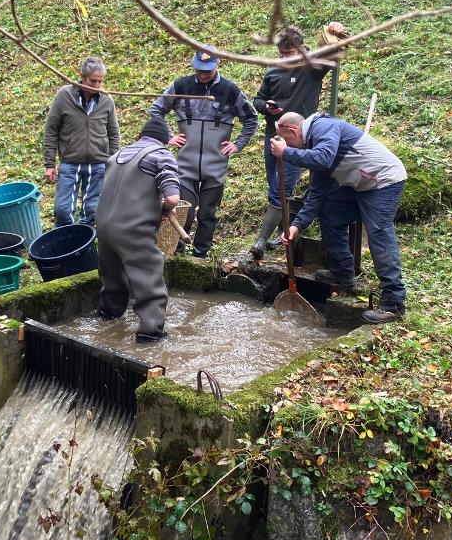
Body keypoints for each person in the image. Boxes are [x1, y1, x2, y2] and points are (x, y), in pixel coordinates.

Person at [271, 111, 407, 324]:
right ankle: (343, 272)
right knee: (330, 214)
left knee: (379, 233)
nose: (291, 147)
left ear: (293, 130)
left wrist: (285, 153)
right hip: (357, 183)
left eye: (288, 141)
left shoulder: (323, 127)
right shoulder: (314, 143)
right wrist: (297, 225)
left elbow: (323, 158)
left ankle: (393, 302)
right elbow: (316, 194)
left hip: (383, 180)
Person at [250, 22, 345, 259]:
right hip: (274, 134)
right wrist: (266, 107)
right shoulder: (273, 70)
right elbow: (258, 99)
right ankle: (285, 231)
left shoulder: (311, 67)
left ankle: (261, 241)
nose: (286, 59)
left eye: (290, 54)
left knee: (280, 187)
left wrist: (334, 32)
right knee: (276, 186)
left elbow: (333, 53)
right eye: (282, 54)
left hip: (296, 140)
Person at [149, 49, 258, 258]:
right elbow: (157, 110)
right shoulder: (181, 86)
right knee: (183, 211)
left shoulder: (230, 90)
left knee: (208, 214)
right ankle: (176, 251)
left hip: (215, 165)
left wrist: (238, 144)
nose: (203, 75)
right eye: (199, 70)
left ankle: (200, 255)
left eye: (207, 71)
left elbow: (251, 118)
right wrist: (169, 136)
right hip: (185, 164)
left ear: (217, 65)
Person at [95, 118, 181, 343]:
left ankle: (107, 317)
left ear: (141, 137)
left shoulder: (116, 156)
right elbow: (172, 197)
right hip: (132, 228)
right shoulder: (161, 155)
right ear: (165, 141)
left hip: (103, 226)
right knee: (148, 277)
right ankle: (150, 333)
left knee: (112, 276)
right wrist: (163, 208)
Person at [43, 57, 121, 227]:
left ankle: (85, 244)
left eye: (100, 82)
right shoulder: (65, 96)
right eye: (93, 81)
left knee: (93, 211)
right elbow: (51, 130)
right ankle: (67, 240)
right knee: (62, 211)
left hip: (98, 164)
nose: (97, 86)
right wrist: (49, 163)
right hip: (70, 163)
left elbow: (114, 134)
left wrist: (112, 162)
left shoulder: (106, 101)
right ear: (82, 76)